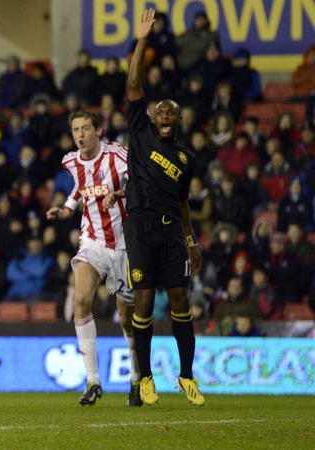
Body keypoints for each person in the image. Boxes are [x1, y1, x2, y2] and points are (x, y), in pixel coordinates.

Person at [123, 9, 204, 406]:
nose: (166, 116)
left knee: (180, 301)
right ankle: (146, 379)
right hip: (140, 226)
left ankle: (187, 376)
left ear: (180, 120)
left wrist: (191, 241)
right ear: (153, 119)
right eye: (161, 112)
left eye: (172, 113)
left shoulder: (187, 159)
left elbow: (184, 202)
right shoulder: (139, 131)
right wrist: (142, 41)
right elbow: (134, 82)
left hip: (173, 230)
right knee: (142, 302)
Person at [46, 109, 141, 406]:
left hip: (126, 245)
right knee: (81, 298)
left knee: (127, 319)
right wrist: (67, 208)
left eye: (86, 128)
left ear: (99, 130)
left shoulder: (120, 156)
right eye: (76, 130)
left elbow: (144, 183)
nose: (80, 135)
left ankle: (137, 379)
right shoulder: (70, 161)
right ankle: (93, 380)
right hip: (93, 240)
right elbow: (81, 187)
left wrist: (122, 194)